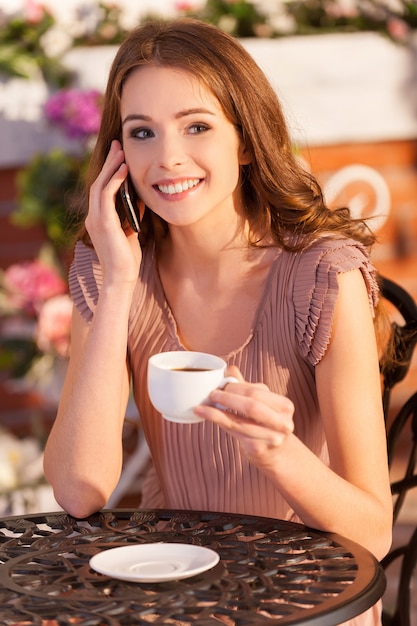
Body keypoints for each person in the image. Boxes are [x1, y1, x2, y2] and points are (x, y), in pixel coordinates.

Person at [43, 18, 392, 625]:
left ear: (247, 139)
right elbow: (79, 490)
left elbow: (374, 532)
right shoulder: (111, 274)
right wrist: (121, 283)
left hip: (310, 593)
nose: (168, 158)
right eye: (142, 133)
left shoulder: (322, 276)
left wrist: (278, 452)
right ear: (118, 157)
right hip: (174, 587)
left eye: (197, 126)